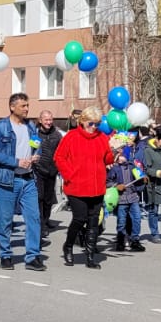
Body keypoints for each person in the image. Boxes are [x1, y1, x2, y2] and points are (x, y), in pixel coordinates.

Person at [0, 92, 46, 271]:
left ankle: (32, 256)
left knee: (34, 218)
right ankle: (5, 255)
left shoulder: (31, 127)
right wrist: (16, 162)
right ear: (12, 107)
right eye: (23, 106)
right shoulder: (1, 127)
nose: (27, 109)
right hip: (8, 180)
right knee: (5, 220)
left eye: (27, 106)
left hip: (28, 179)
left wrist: (36, 156)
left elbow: (36, 146)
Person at [53, 107, 112, 268]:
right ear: (83, 121)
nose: (94, 127)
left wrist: (114, 150)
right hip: (77, 186)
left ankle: (90, 255)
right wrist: (69, 175)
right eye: (91, 123)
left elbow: (107, 159)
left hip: (97, 186)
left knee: (94, 222)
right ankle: (69, 245)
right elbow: (59, 157)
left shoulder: (102, 138)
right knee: (80, 218)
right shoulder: (71, 136)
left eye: (97, 124)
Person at [107, 134, 146, 252]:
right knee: (121, 221)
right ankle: (120, 241)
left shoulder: (132, 166)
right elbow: (108, 182)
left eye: (124, 151)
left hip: (133, 197)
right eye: (120, 152)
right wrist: (115, 186)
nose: (123, 155)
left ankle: (135, 240)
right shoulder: (114, 168)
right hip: (121, 199)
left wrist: (143, 180)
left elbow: (140, 178)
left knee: (137, 218)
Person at [32, 109, 63, 248]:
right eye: (46, 120)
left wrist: (58, 167)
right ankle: (41, 225)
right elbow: (31, 150)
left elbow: (61, 152)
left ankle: (46, 219)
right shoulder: (35, 134)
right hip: (38, 171)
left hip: (52, 171)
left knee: (48, 199)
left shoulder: (57, 135)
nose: (49, 122)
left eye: (50, 120)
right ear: (40, 120)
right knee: (40, 197)